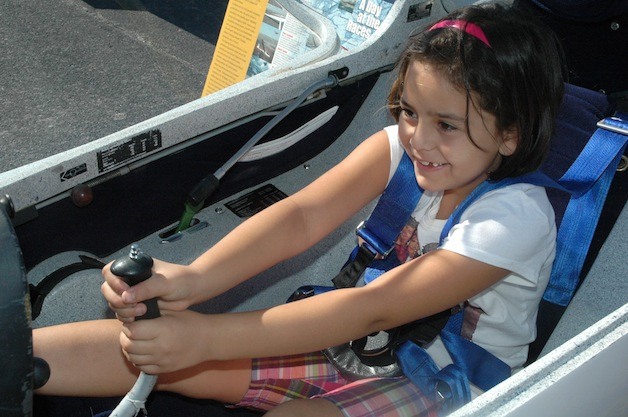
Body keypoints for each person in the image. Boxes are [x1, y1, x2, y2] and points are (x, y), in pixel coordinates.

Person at [34, 3, 566, 416]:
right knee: (155, 356)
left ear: (511, 134)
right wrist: (196, 281)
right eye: (409, 111)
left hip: (449, 382)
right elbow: (301, 217)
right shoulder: (399, 150)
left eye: (445, 125)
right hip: (356, 340)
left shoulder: (515, 218)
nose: (418, 138)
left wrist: (204, 337)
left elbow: (377, 306)